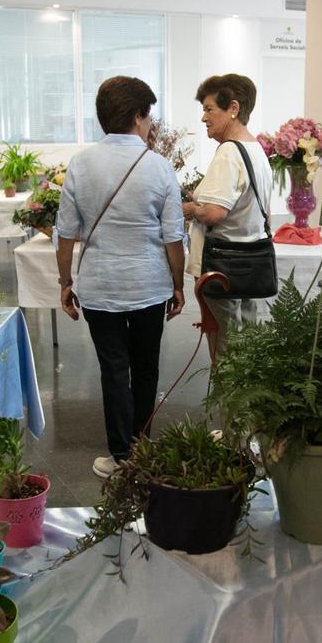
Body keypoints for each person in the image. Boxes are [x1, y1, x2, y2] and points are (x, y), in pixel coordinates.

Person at [54, 75, 186, 477]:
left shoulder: (80, 164)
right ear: (136, 115)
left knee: (113, 367)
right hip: (149, 285)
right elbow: (173, 238)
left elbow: (65, 234)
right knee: (146, 367)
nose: (151, 124)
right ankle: (142, 447)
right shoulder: (159, 168)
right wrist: (177, 286)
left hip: (99, 286)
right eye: (148, 115)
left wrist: (65, 283)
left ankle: (120, 456)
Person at [182, 73, 271, 360]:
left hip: (223, 268)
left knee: (225, 352)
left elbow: (214, 213)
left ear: (233, 108)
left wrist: (189, 209)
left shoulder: (229, 153)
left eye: (209, 109)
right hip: (249, 264)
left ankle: (226, 407)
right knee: (243, 348)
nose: (203, 118)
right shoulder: (256, 150)